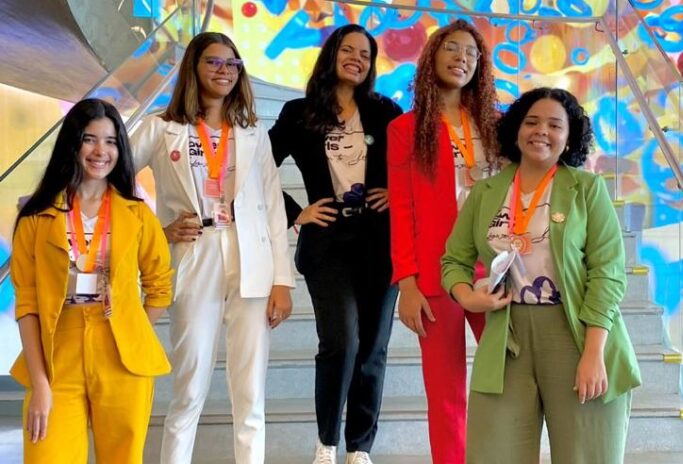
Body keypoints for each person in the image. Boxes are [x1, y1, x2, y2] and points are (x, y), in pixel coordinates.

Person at [441, 87, 642, 464]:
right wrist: (467, 296)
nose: (541, 131)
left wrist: (593, 352)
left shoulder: (587, 189)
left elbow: (608, 273)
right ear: (516, 130)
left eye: (555, 125)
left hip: (576, 334)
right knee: (493, 454)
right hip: (507, 338)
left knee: (585, 456)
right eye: (531, 122)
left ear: (569, 138)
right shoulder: (485, 192)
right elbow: (453, 260)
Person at [130, 32, 295, 464]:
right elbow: (111, 177)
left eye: (232, 64)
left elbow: (273, 207)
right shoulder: (161, 128)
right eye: (213, 62)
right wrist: (157, 231)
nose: (224, 71)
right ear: (194, 67)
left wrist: (283, 280)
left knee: (250, 393)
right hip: (195, 253)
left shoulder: (254, 132)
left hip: (251, 257)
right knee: (188, 389)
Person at [10, 98, 172, 464]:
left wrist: (131, 328)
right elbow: (27, 303)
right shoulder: (36, 217)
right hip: (57, 355)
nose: (101, 151)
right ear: (72, 143)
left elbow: (160, 287)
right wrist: (40, 383)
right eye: (90, 139)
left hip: (121, 359)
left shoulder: (137, 215)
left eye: (111, 141)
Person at [269, 24, 402, 464]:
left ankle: (359, 447)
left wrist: (396, 193)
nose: (356, 59)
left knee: (373, 349)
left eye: (365, 54)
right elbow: (256, 170)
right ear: (331, 55)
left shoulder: (386, 112)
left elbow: (417, 166)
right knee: (341, 342)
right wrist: (296, 213)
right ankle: (326, 441)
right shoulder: (299, 112)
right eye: (348, 50)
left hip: (379, 244)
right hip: (327, 244)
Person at [386, 19, 499, 464]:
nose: (462, 58)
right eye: (452, 48)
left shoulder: (497, 125)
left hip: (495, 270)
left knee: (508, 381)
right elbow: (402, 209)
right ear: (432, 56)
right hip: (435, 274)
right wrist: (407, 282)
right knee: (446, 392)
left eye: (471, 52)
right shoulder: (406, 128)